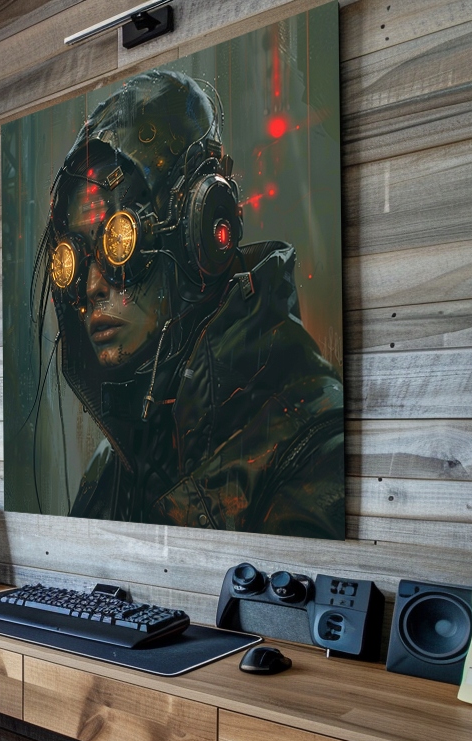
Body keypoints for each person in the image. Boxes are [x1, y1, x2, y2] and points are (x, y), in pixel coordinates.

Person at [33, 70, 344, 539]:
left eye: (120, 244)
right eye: (77, 258)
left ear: (199, 228)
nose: (93, 286)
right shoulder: (116, 463)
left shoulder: (315, 444)